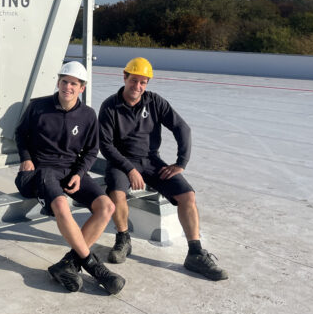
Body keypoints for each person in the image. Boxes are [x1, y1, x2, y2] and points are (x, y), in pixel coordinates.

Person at [98, 57, 228, 281]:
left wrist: (181, 162)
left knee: (187, 195)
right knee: (117, 194)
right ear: (124, 77)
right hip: (121, 161)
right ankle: (123, 239)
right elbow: (106, 145)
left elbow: (182, 128)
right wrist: (129, 169)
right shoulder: (110, 106)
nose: (138, 87)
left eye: (143, 82)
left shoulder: (155, 102)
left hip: (151, 160)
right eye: (134, 80)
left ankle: (195, 253)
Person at [15, 61, 125, 295]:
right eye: (64, 81)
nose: (68, 87)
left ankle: (68, 265)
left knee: (106, 206)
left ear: (81, 88)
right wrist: (26, 157)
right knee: (62, 206)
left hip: (70, 170)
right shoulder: (38, 107)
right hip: (42, 171)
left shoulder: (87, 115)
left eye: (73, 83)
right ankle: (95, 268)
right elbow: (20, 134)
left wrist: (79, 173)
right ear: (58, 82)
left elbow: (92, 150)